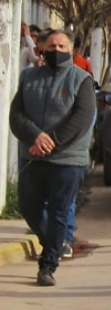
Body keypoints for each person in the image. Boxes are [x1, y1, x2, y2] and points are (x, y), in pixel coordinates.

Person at [9, 29, 94, 287]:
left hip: (67, 160)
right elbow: (16, 115)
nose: (56, 50)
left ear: (71, 51)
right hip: (33, 157)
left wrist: (52, 141)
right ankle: (56, 244)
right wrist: (36, 137)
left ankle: (48, 265)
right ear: (42, 49)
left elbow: (81, 119)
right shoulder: (29, 77)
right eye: (51, 45)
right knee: (29, 208)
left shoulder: (82, 80)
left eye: (61, 46)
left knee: (59, 211)